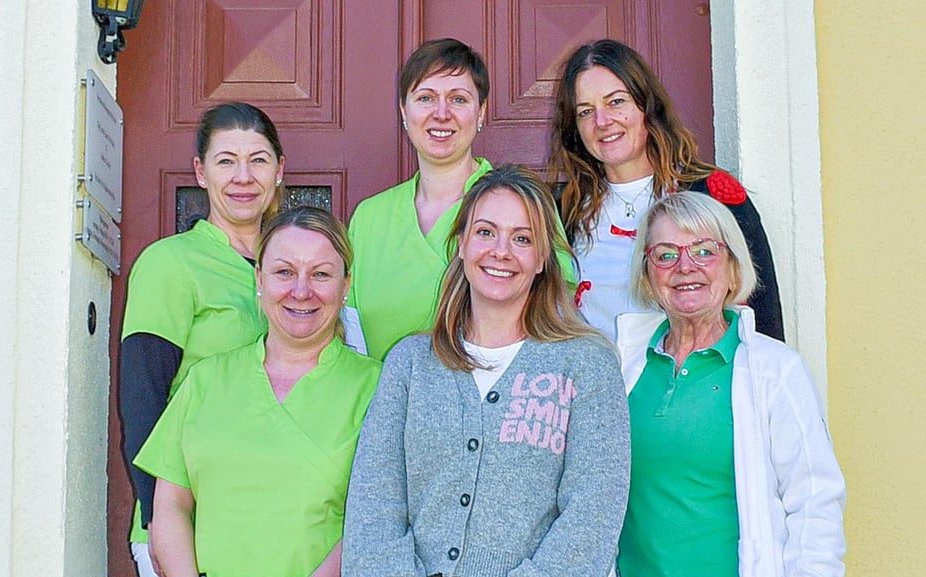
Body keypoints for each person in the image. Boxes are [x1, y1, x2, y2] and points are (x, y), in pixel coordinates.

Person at [343, 165, 630, 577]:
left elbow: (593, 518)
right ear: (460, 244)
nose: (501, 251)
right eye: (485, 232)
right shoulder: (409, 363)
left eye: (522, 238)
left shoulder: (585, 365)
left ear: (543, 258)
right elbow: (374, 508)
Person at [133, 206, 381, 577]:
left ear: (345, 286)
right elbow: (171, 504)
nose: (301, 290)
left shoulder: (379, 388)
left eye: (321, 274)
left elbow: (380, 516)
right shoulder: (206, 380)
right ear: (259, 279)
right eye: (284, 272)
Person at [615, 191, 845, 577]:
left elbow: (815, 502)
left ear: (733, 268)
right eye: (666, 254)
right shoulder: (623, 367)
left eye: (704, 251)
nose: (685, 266)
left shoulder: (775, 371)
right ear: (647, 276)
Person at [119, 102, 284, 577]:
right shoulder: (170, 264)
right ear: (201, 172)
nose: (243, 176)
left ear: (279, 171)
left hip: (269, 521)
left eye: (258, 159)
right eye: (226, 160)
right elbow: (142, 397)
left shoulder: (292, 270)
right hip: (184, 520)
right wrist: (158, 522)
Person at [344, 37, 575, 360]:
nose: (441, 113)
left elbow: (557, 318)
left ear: (481, 112)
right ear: (403, 110)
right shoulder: (369, 218)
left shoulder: (524, 204)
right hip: (392, 405)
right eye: (426, 98)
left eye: (458, 99)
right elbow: (353, 340)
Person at [547, 39, 784, 341]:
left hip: (699, 383)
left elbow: (761, 313)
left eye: (616, 102)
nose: (602, 121)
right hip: (601, 383)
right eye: (585, 111)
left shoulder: (712, 193)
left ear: (646, 104)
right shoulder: (565, 211)